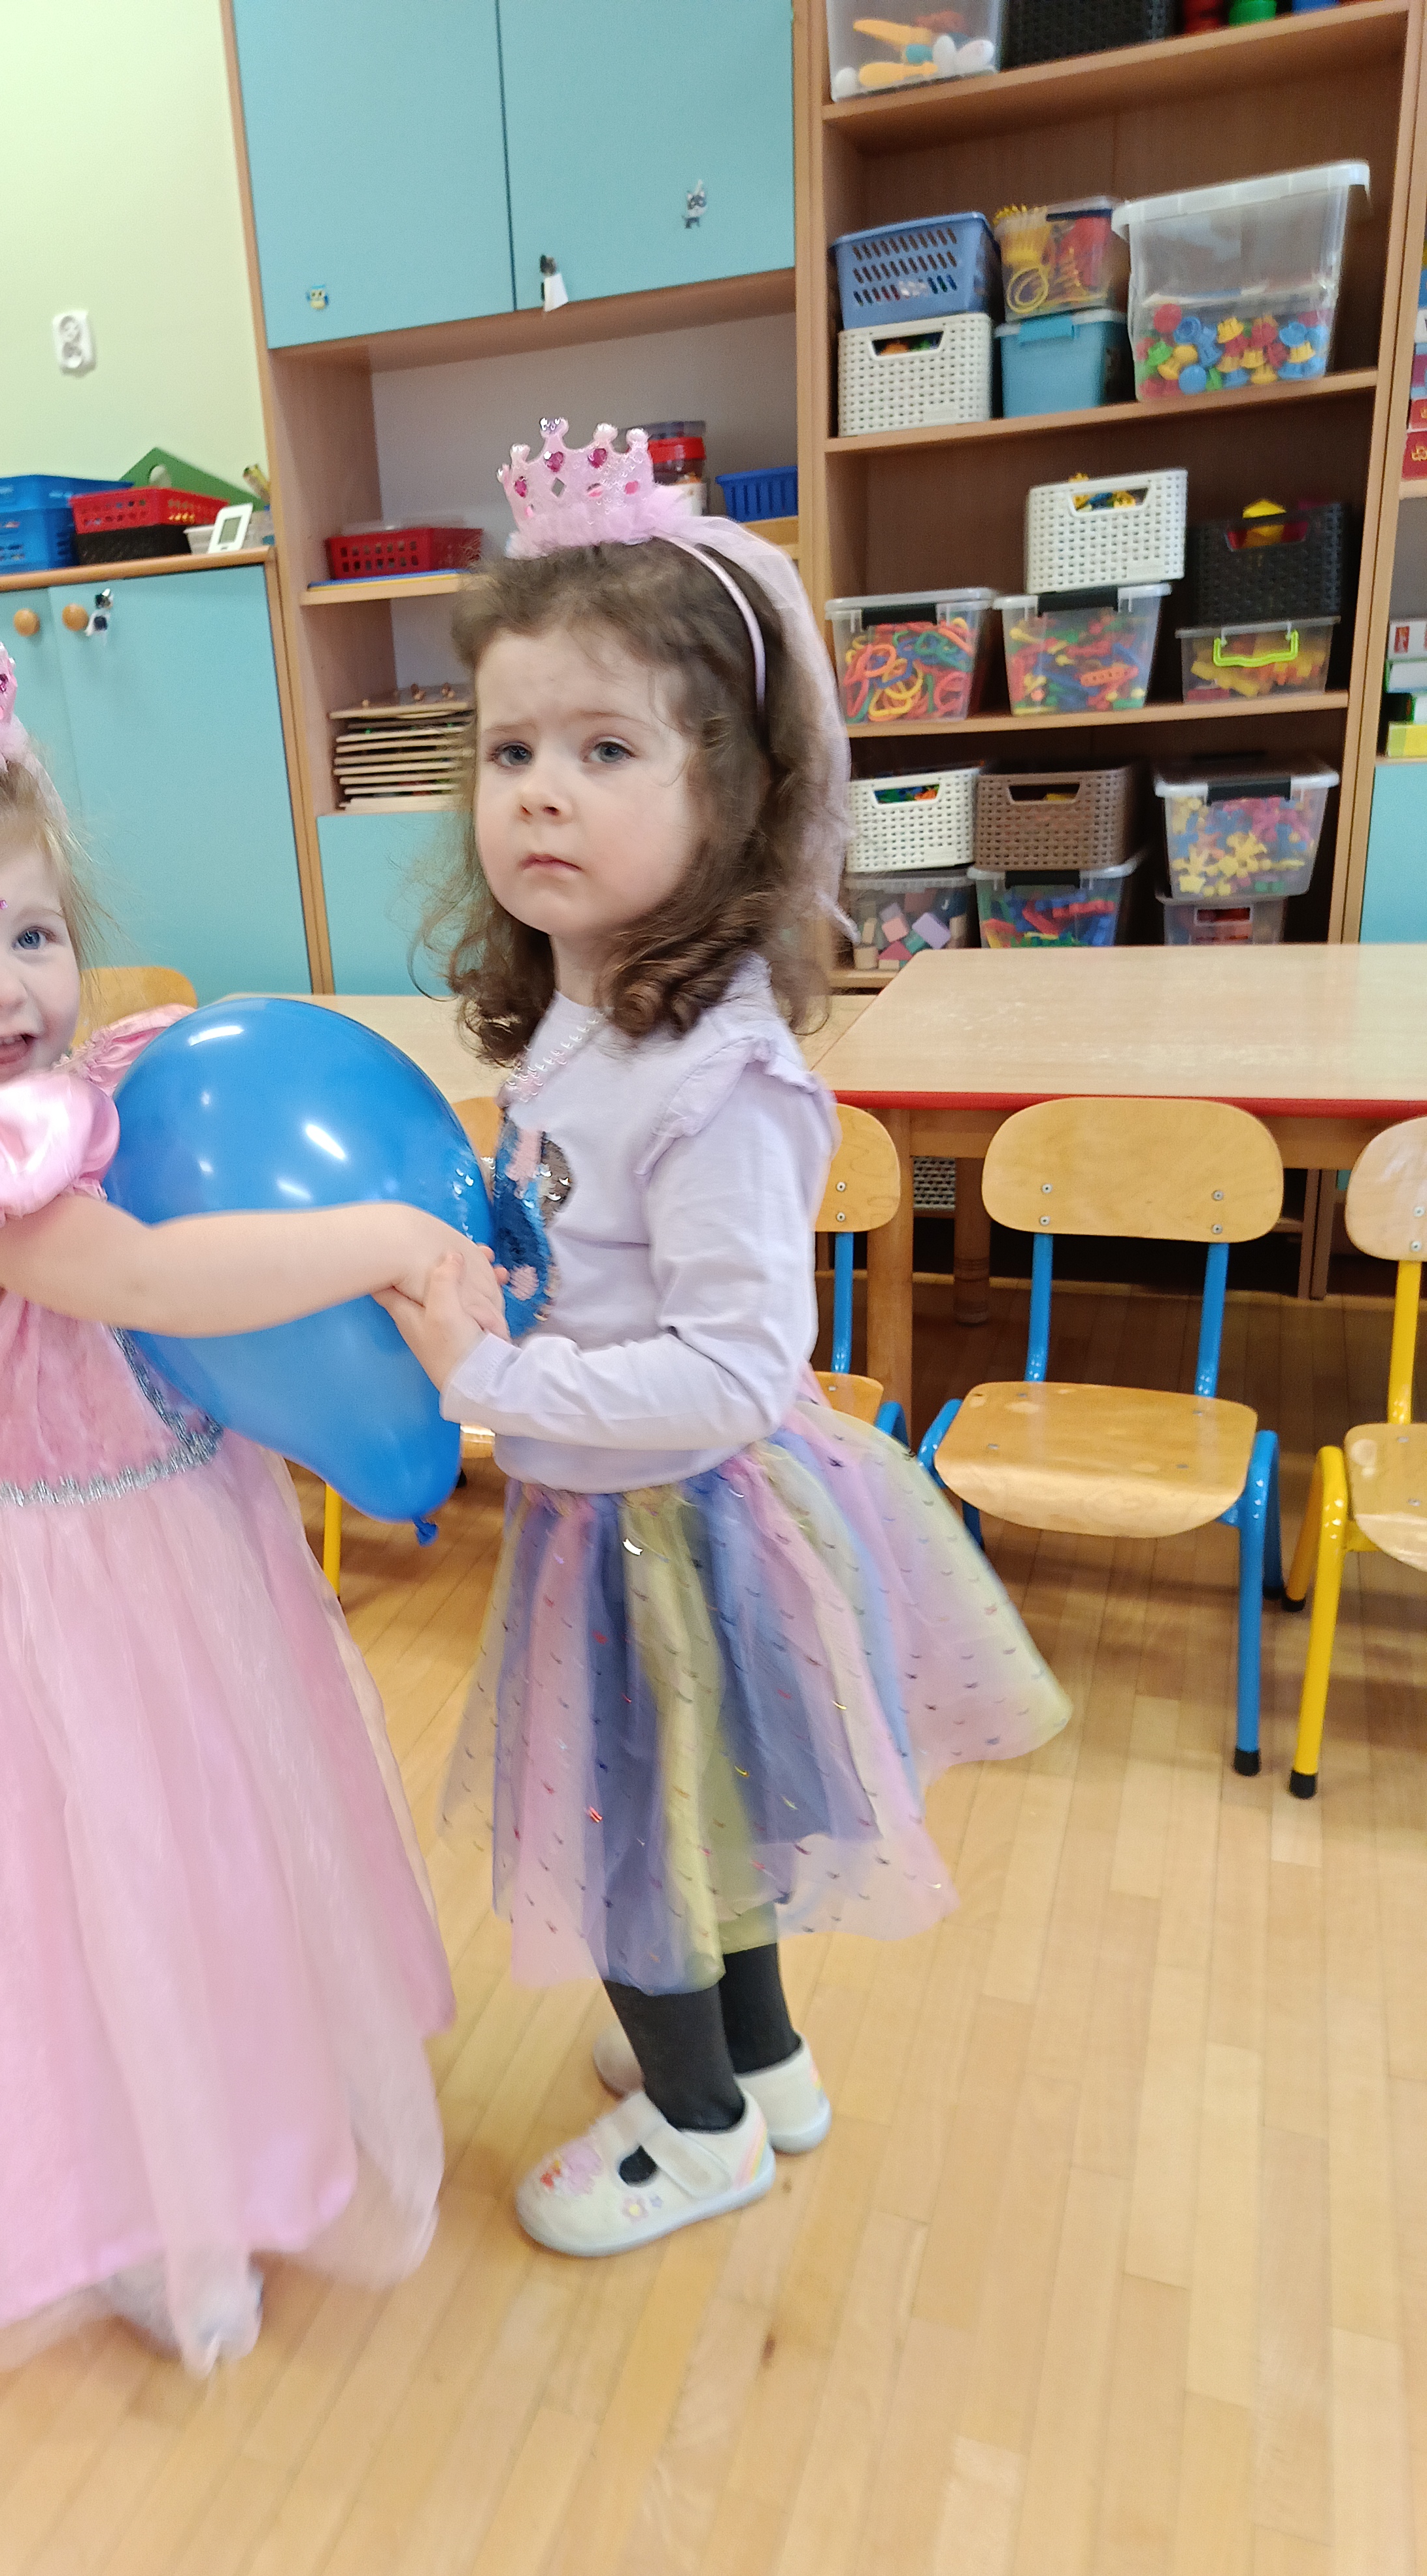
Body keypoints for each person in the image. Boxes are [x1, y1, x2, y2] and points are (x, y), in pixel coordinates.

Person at [0, 618, 501, 2371]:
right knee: (94, 1901)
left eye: (33, 932)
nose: (5, 985)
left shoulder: (41, 1113)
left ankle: (241, 2144)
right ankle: (148, 2220)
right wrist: (380, 1235)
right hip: (51, 1605)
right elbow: (143, 1285)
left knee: (203, 1869)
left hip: (169, 1538)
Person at [381, 426, 1069, 2257]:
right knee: (704, 1822)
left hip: (673, 1522)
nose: (541, 794)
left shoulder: (718, 1074)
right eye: (511, 751)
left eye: (605, 751)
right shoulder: (582, 1015)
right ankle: (758, 2067)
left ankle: (697, 2135)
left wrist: (487, 1378)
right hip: (613, 1512)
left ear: (733, 798)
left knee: (630, 1839)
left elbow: (741, 1365)